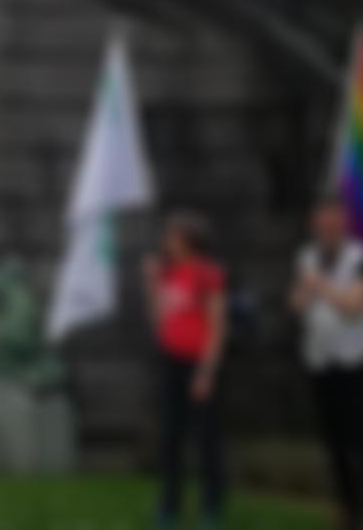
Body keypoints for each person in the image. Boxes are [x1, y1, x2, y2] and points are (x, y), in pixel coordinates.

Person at [291, 200, 363, 530]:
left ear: (343, 224)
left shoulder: (362, 257)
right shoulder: (306, 257)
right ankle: (349, 510)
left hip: (362, 358)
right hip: (323, 359)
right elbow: (295, 303)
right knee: (333, 439)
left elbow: (355, 305)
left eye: (332, 222)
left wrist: (319, 285)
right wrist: (303, 295)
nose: (326, 229)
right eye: (320, 223)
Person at [145, 211, 228, 530]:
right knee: (170, 438)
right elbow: (158, 321)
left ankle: (211, 508)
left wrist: (206, 372)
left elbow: (217, 325)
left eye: (172, 236)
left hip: (199, 362)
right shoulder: (168, 274)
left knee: (207, 438)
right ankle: (169, 505)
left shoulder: (208, 273)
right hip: (170, 360)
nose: (166, 241)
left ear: (188, 240)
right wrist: (152, 284)